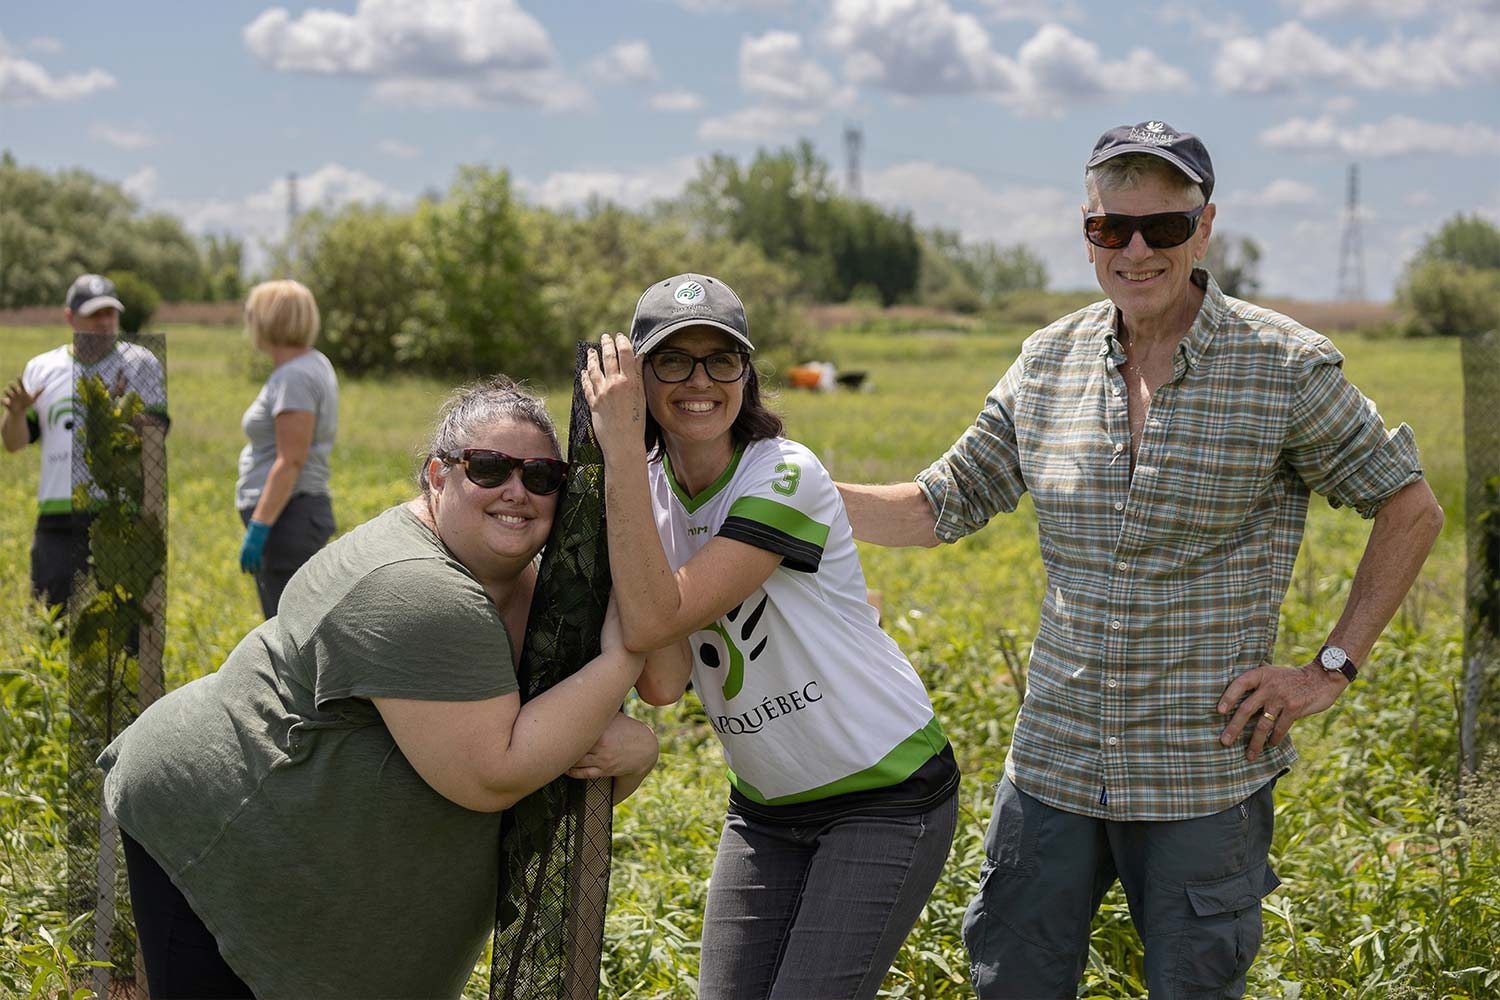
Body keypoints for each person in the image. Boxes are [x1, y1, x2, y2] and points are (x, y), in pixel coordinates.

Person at [837, 121, 1445, 999]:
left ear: (1204, 229)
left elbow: (1410, 505)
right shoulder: (1047, 362)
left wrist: (1330, 668)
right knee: (1010, 985)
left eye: (1162, 228)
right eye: (1109, 228)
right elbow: (938, 507)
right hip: (1053, 766)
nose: (1135, 250)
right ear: (1086, 232)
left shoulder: (1283, 366)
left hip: (1201, 772)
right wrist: (788, 483)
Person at [98, 377, 660, 999]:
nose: (515, 491)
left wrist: (633, 746)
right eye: (489, 467)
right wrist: (619, 659)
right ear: (438, 476)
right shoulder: (419, 590)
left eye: (542, 477)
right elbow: (494, 775)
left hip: (305, 875)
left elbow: (565, 758)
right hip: (220, 835)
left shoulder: (525, 588)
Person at [582, 273, 960, 1000]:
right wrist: (633, 481)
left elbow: (660, 618)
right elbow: (662, 682)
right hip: (765, 810)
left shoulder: (786, 476)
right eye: (673, 360)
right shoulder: (652, 494)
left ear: (747, 374)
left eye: (721, 359)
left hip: (884, 795)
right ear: (639, 376)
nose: (700, 381)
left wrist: (622, 450)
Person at [2, 273, 168, 608]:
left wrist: (119, 414)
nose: (105, 322)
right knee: (53, 620)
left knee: (122, 631)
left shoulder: (140, 363)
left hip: (119, 512)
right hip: (58, 514)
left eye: (110, 313)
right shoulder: (43, 367)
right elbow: (14, 443)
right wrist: (17, 413)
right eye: (94, 314)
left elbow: (157, 433)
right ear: (69, 317)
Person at [235, 279, 339, 618]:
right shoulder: (313, 363)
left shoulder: (293, 377)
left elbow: (291, 459)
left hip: (286, 520)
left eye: (252, 315)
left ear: (269, 319)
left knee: (287, 632)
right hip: (294, 515)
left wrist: (260, 526)